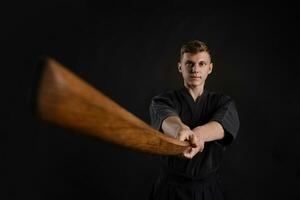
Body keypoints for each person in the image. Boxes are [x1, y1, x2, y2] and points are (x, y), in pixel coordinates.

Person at [148, 40, 240, 200]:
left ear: (210, 68)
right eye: (189, 63)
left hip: (209, 190)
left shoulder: (223, 102)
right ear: (180, 67)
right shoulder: (162, 101)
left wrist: (198, 135)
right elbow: (167, 119)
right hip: (170, 190)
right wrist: (181, 130)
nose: (195, 69)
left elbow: (220, 125)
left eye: (202, 64)